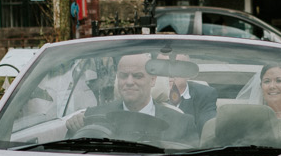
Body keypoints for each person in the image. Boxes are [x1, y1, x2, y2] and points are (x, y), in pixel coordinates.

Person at [66, 52, 195, 142]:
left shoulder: (182, 124)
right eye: (123, 76)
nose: (129, 82)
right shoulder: (92, 116)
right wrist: (74, 126)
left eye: (137, 76)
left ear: (152, 80)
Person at [158, 50, 217, 134]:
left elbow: (208, 128)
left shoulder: (204, 94)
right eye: (163, 67)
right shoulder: (146, 94)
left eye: (176, 66)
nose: (169, 72)